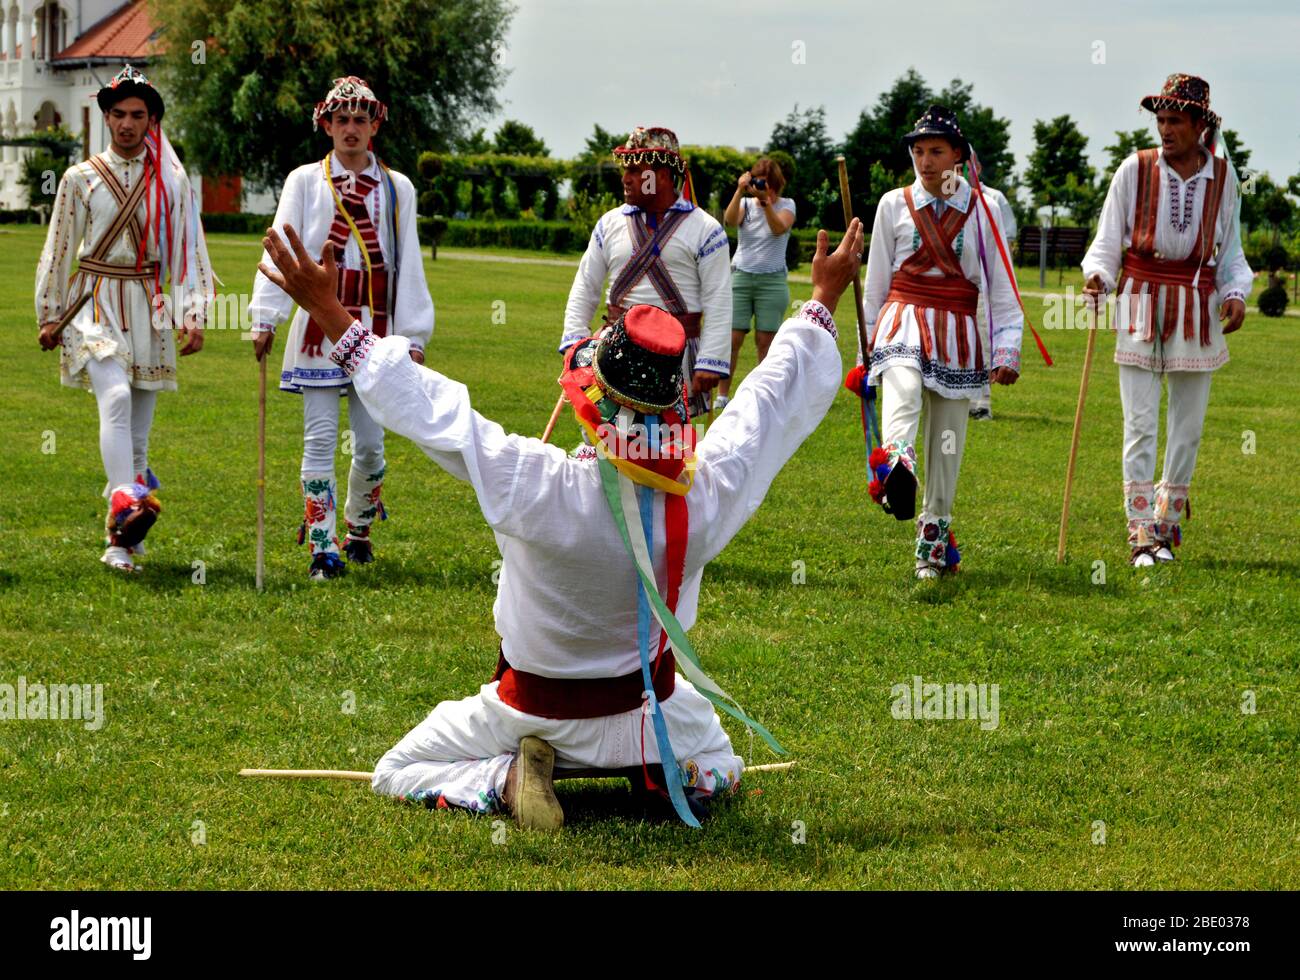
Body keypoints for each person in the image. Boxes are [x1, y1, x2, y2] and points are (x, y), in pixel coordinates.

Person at [256, 213, 864, 830]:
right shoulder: (705, 493)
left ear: (591, 398)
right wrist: (822, 298)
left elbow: (438, 414)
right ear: (672, 407)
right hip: (647, 709)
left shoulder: (535, 478)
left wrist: (332, 313)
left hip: (528, 714)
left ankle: (507, 774)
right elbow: (764, 405)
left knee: (396, 768)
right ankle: (656, 772)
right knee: (720, 762)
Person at [248, 76, 434, 580]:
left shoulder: (399, 187)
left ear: (375, 124)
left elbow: (408, 262)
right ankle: (322, 545)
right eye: (341, 120)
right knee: (319, 440)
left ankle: (358, 525)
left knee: (372, 446)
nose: (350, 129)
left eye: (360, 119)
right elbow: (281, 245)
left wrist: (413, 334)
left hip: (375, 325)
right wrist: (265, 316)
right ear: (325, 124)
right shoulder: (304, 180)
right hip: (317, 325)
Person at [35, 64, 213, 574]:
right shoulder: (79, 178)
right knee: (112, 396)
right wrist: (50, 312)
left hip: (148, 301)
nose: (128, 124)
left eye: (138, 115)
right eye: (119, 115)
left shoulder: (172, 184)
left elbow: (187, 249)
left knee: (137, 435)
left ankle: (122, 543)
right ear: (106, 118)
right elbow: (58, 248)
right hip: (93, 299)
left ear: (151, 119)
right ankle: (126, 507)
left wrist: (192, 312)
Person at [846, 105, 1024, 580]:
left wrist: (1008, 348)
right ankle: (898, 467)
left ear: (959, 157)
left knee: (947, 444)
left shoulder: (984, 208)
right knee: (901, 387)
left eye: (936, 152)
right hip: (902, 318)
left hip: (959, 330)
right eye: (918, 151)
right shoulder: (892, 204)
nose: (925, 162)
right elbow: (876, 282)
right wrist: (863, 355)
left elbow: (1002, 286)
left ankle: (933, 549)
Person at [1082, 74, 1250, 567]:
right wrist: (1097, 276)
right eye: (1160, 119)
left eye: (1175, 120)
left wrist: (1236, 292)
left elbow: (1231, 250)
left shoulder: (1224, 178)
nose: (1165, 129)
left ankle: (1166, 521)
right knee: (1139, 423)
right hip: (1138, 299)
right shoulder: (1133, 170)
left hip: (1197, 306)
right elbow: (1107, 240)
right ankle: (1139, 534)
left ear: (1201, 124)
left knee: (1188, 426)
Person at [560, 126, 731, 419]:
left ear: (662, 175)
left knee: (673, 452)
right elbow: (585, 285)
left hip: (678, 358)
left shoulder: (706, 229)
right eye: (625, 169)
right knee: (607, 441)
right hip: (614, 353)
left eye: (636, 170)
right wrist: (574, 340)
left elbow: (719, 298)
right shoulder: (608, 224)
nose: (625, 178)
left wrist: (711, 360)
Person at [717, 156, 796, 411]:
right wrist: (740, 191)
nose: (766, 190)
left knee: (766, 342)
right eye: (761, 183)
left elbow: (778, 229)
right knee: (733, 339)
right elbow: (729, 220)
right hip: (741, 277)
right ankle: (722, 395)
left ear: (777, 185)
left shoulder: (787, 205)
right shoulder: (746, 204)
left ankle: (763, 396)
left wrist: (765, 204)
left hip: (772, 282)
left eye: (769, 185)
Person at [969, 184, 1018, 421]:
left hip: (983, 282)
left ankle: (982, 402)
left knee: (982, 338)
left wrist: (997, 271)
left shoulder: (991, 199)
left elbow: (1006, 236)